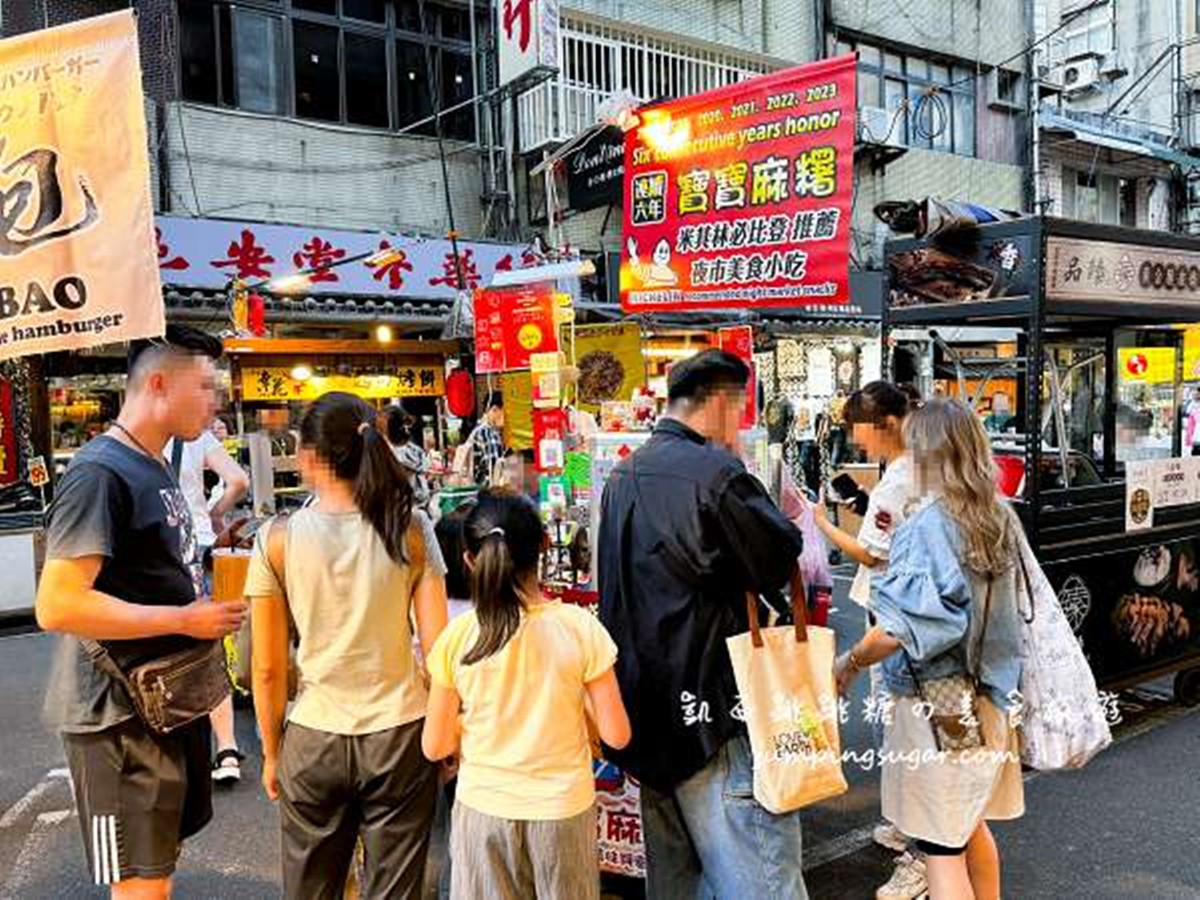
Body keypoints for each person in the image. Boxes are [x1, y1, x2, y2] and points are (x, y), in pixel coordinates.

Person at [36, 325, 248, 898]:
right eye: (204, 386)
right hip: (116, 718)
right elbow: (58, 604)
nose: (215, 400)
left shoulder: (152, 462)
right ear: (158, 383)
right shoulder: (99, 471)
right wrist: (184, 620)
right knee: (139, 885)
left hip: (161, 707)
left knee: (156, 875)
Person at [597, 349, 808, 899]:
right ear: (719, 403)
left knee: (678, 884)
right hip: (716, 712)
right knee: (760, 878)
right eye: (738, 407)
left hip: (645, 714)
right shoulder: (716, 473)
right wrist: (740, 470)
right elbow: (780, 557)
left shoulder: (622, 475)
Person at [245, 392, 449, 899]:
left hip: (314, 737)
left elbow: (266, 669)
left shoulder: (276, 539)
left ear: (309, 455)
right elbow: (441, 650)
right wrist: (449, 733)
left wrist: (272, 753)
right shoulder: (411, 528)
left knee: (312, 890)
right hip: (401, 732)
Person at [834, 398, 1025, 900]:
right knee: (969, 827)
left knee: (941, 849)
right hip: (992, 694)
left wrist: (850, 662)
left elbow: (898, 628)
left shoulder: (929, 526)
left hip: (940, 702)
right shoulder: (999, 516)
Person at [423, 489, 631, 900]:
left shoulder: (458, 637)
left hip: (483, 809)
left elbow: (435, 746)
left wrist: (468, 727)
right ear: (544, 547)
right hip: (562, 810)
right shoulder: (580, 628)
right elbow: (617, 735)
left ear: (469, 561)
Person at [803, 382, 926, 900]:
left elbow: (873, 555)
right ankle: (907, 824)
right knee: (908, 725)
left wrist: (820, 524)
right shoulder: (926, 464)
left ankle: (922, 851)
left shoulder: (898, 479)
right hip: (917, 615)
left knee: (905, 725)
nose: (857, 441)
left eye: (861, 430)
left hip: (899, 614)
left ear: (887, 424)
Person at [166, 409, 251, 785]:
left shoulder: (133, 438)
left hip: (161, 550)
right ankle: (227, 748)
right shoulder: (195, 435)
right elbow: (238, 481)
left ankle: (178, 751)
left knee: (169, 648)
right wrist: (213, 515)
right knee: (209, 645)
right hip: (199, 546)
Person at [386, 405, 433, 512]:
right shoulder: (415, 450)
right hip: (420, 502)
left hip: (402, 506)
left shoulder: (387, 451)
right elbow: (426, 472)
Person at [466, 392, 506, 486]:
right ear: (495, 409)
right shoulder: (487, 433)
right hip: (486, 491)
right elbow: (494, 468)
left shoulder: (479, 430)